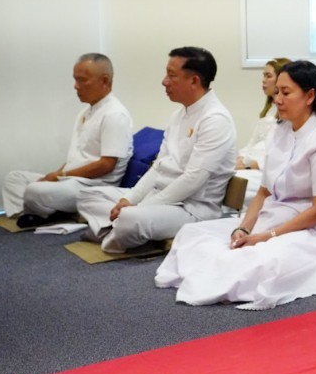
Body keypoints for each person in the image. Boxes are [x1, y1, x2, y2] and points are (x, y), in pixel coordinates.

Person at [155, 60, 316, 310]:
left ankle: (218, 274)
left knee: (258, 259)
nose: (278, 100)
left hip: (313, 232)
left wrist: (266, 236)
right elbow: (264, 191)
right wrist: (244, 229)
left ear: (310, 96)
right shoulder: (280, 131)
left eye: (286, 93)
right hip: (273, 218)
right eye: (276, 93)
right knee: (192, 234)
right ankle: (215, 271)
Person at [77, 47, 236, 253]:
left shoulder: (216, 119)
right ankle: (121, 231)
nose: (164, 81)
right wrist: (130, 199)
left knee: (130, 217)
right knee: (86, 196)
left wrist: (141, 207)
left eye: (171, 75)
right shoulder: (177, 116)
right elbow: (158, 167)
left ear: (194, 81)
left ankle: (114, 230)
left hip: (192, 208)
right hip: (160, 198)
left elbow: (192, 180)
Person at [1, 53, 133, 227]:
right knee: (14, 178)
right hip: (70, 180)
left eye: (82, 80)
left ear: (104, 80)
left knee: (35, 190)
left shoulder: (115, 115)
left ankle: (43, 212)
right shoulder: (86, 113)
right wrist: (56, 175)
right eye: (75, 80)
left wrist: (59, 176)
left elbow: (106, 165)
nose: (76, 86)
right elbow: (75, 158)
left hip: (92, 186)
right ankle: (44, 212)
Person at [234, 57, 290, 199]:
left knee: (233, 182)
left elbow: (283, 153)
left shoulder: (288, 115)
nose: (263, 80)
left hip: (263, 169)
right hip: (252, 164)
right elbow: (252, 143)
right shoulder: (268, 110)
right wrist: (240, 158)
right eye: (263, 76)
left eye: (268, 76)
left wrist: (251, 164)